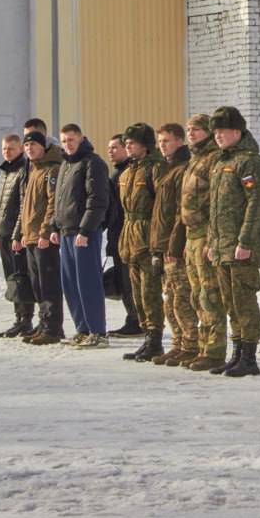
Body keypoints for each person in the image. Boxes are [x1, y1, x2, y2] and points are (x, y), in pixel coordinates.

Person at [206, 106, 260, 377]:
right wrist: (212, 242)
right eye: (215, 132)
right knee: (229, 301)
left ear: (237, 131)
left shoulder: (249, 162)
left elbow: (256, 204)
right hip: (222, 246)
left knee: (244, 300)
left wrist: (245, 242)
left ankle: (249, 357)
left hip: (240, 246)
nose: (218, 136)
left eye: (222, 131)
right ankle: (237, 352)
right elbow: (214, 207)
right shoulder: (220, 162)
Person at [169, 114, 227, 373]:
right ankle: (202, 347)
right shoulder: (195, 159)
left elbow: (216, 203)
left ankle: (214, 350)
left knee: (209, 294)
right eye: (189, 129)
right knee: (196, 295)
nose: (191, 133)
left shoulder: (213, 158)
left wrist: (212, 239)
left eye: (197, 129)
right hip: (191, 235)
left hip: (205, 234)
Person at [51, 124, 111, 348]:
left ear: (81, 139)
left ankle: (98, 331)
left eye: (71, 140)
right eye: (64, 141)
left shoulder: (92, 163)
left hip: (84, 233)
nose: (68, 144)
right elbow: (59, 199)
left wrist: (86, 230)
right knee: (70, 284)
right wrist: (54, 226)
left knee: (88, 282)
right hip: (66, 232)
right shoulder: (66, 164)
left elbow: (97, 200)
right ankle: (82, 328)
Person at [119, 123, 167, 363]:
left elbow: (162, 208)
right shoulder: (128, 172)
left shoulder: (155, 169)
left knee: (150, 293)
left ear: (145, 145)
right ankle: (147, 336)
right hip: (130, 237)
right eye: (126, 143)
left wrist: (158, 243)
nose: (128, 146)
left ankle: (155, 340)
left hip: (147, 237)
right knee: (137, 294)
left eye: (133, 143)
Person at [13, 131, 64, 344]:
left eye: (33, 144)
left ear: (43, 146)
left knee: (49, 285)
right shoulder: (34, 170)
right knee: (38, 286)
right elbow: (27, 206)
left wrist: (45, 231)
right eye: (26, 145)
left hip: (43, 239)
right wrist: (23, 233)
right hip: (31, 237)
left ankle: (53, 328)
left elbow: (52, 204)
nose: (29, 149)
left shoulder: (51, 170)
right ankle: (43, 324)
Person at [150, 124, 195, 365]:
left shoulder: (182, 169)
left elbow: (180, 212)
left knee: (181, 299)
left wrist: (174, 245)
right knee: (170, 300)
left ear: (179, 141)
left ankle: (191, 344)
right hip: (163, 243)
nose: (162, 145)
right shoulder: (166, 169)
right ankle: (178, 343)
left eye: (166, 141)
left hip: (174, 246)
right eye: (160, 141)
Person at [0, 134, 33, 338]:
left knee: (20, 278)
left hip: (15, 236)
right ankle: (18, 318)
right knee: (12, 279)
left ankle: (26, 319)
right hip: (3, 234)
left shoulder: (23, 170)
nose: (7, 152)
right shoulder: (5, 173)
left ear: (20, 149)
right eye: (4, 148)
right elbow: (0, 207)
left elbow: (23, 207)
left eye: (11, 148)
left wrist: (17, 234)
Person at [105, 134, 142, 337]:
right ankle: (133, 318)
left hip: (128, 235)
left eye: (115, 147)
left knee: (130, 282)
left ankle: (137, 321)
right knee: (123, 280)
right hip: (118, 235)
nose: (110, 151)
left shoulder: (127, 174)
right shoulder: (117, 174)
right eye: (109, 148)